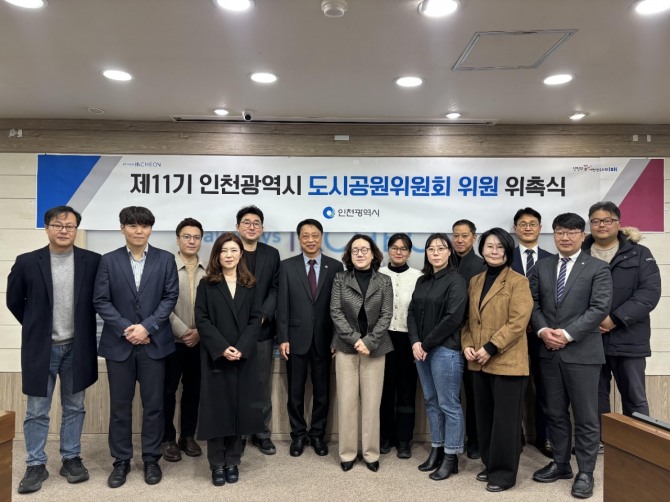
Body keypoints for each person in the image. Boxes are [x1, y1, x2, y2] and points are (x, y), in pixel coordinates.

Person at [6, 206, 100, 494]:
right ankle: (35, 463)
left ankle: (71, 458)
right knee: (37, 409)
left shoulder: (92, 261)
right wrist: (37, 327)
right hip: (41, 349)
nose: (64, 230)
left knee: (75, 406)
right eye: (58, 225)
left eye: (70, 226)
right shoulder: (27, 262)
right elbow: (14, 301)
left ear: (76, 230)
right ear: (47, 228)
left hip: (77, 347)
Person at [94, 206, 179, 488]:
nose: (139, 231)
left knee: (154, 406)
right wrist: (127, 329)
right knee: (120, 407)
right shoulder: (108, 260)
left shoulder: (165, 259)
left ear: (151, 229)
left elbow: (170, 297)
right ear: (122, 228)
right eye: (132, 226)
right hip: (120, 344)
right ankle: (121, 460)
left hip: (154, 343)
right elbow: (101, 300)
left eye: (144, 226)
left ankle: (152, 458)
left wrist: (147, 327)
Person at [530, 213, 612, 500]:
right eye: (559, 232)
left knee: (586, 417)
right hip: (548, 353)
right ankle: (561, 464)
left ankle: (586, 472)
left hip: (583, 353)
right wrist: (543, 331)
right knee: (554, 413)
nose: (565, 237)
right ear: (553, 234)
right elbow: (532, 303)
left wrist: (566, 334)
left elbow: (599, 308)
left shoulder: (598, 268)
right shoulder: (542, 266)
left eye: (571, 232)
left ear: (582, 235)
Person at [461, 228, 533, 492]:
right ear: (481, 249)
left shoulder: (518, 281)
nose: (493, 251)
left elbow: (518, 322)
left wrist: (491, 347)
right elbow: (468, 320)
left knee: (505, 422)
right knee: (485, 418)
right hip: (478, 361)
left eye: (499, 247)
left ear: (507, 251)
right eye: (489, 246)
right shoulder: (475, 281)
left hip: (507, 361)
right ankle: (490, 464)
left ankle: (503, 474)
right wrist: (468, 345)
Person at [583, 201, 661, 435]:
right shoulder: (581, 253)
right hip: (590, 338)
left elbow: (649, 294)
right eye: (596, 221)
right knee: (595, 397)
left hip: (629, 337)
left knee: (635, 397)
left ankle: (639, 445)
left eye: (607, 220)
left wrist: (615, 319)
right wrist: (589, 321)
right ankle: (600, 442)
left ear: (618, 223)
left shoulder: (640, 253)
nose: (601, 225)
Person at [194, 232, 263, 486]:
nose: (229, 255)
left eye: (234, 250)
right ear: (217, 255)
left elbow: (256, 319)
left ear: (241, 254)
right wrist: (223, 348)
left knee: (239, 410)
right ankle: (216, 464)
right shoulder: (207, 284)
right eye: (224, 251)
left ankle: (233, 461)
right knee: (217, 411)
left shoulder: (250, 284)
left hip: (243, 357)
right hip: (216, 357)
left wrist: (241, 348)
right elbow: (202, 320)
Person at [277, 219, 343, 457]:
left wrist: (336, 338)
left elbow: (340, 306)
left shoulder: (335, 266)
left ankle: (317, 435)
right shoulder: (287, 266)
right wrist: (283, 337)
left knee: (322, 393)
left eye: (315, 235)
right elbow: (281, 305)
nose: (310, 240)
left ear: (321, 237)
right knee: (295, 393)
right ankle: (298, 435)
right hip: (295, 339)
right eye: (305, 236)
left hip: (324, 340)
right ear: (299, 239)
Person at [330, 234, 394, 472]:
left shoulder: (384, 280)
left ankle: (370, 453)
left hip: (375, 349)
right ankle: (347, 453)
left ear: (373, 253)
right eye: (355, 250)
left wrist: (369, 341)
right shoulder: (340, 278)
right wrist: (356, 339)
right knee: (347, 403)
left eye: (364, 249)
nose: (359, 254)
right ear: (349, 254)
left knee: (371, 404)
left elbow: (386, 314)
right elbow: (335, 312)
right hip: (346, 347)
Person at [408, 233, 468, 481]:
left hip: (445, 350)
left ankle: (451, 457)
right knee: (431, 402)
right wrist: (415, 342)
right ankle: (437, 449)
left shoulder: (456, 280)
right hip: (421, 350)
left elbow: (453, 318)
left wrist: (426, 344)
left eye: (441, 248)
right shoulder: (422, 280)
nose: (435, 253)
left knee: (449, 405)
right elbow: (411, 312)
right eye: (431, 249)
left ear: (449, 252)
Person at [235, 205, 280, 455]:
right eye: (246, 222)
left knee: (262, 382)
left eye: (256, 223)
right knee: (239, 381)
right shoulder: (230, 250)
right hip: (235, 330)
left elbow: (275, 288)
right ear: (237, 226)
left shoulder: (271, 254)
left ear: (262, 228)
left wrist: (263, 315)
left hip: (262, 329)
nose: (251, 227)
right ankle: (239, 433)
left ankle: (262, 432)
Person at [161, 218, 206, 462]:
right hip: (170, 341)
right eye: (187, 236)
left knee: (193, 390)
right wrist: (182, 330)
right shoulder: (165, 267)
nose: (192, 241)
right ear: (178, 239)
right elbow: (160, 303)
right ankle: (167, 438)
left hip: (199, 341)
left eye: (196, 237)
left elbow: (212, 307)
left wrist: (199, 331)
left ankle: (187, 436)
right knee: (167, 391)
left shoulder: (208, 270)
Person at [511, 207, 554, 458]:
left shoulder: (553, 259)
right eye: (523, 224)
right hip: (512, 334)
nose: (528, 227)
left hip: (543, 333)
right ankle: (514, 437)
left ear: (540, 228)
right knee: (512, 386)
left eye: (533, 223)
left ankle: (544, 437)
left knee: (546, 387)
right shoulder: (505, 257)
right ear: (515, 228)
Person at [379, 233, 423, 459]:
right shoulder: (378, 274)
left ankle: (404, 439)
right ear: (388, 250)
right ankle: (385, 436)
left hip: (408, 339)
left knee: (407, 391)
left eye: (403, 248)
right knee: (385, 390)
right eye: (394, 247)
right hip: (383, 339)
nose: (399, 252)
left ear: (409, 252)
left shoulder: (418, 277)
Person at [451, 219, 486, 459]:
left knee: (475, 394)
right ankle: (452, 441)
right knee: (450, 395)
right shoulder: (443, 261)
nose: (459, 240)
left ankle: (475, 440)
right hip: (446, 339)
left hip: (473, 339)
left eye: (464, 235)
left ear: (474, 238)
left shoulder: (482, 265)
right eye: (456, 235)